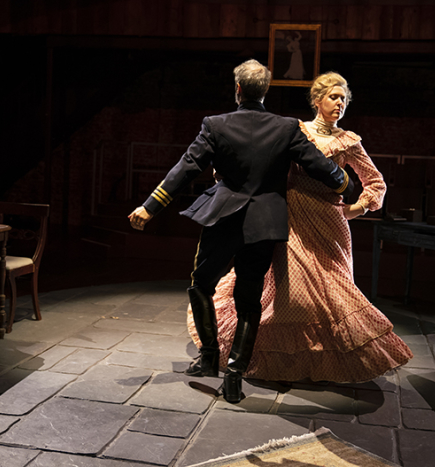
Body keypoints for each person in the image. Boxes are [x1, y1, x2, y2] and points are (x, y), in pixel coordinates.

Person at [128, 60, 353, 403]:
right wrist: (345, 185)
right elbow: (320, 166)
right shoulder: (286, 127)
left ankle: (207, 358)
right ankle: (233, 376)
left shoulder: (215, 126)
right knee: (248, 302)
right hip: (265, 225)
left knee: (201, 284)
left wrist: (150, 206)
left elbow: (186, 167)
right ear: (265, 91)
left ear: (237, 90)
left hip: (223, 220)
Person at [188, 71, 413, 383]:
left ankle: (322, 361)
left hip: (329, 224)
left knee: (331, 293)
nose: (340, 104)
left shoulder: (349, 141)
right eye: (334, 97)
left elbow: (375, 182)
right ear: (316, 101)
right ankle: (280, 360)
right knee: (291, 296)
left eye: (344, 99)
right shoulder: (294, 130)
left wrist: (357, 208)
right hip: (291, 219)